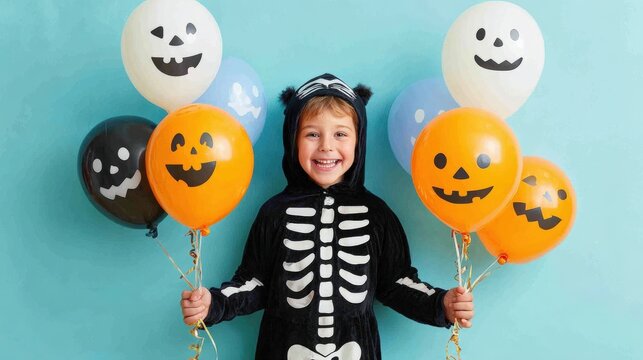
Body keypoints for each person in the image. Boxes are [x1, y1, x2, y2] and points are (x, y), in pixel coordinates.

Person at [180, 73, 474, 359]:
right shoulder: (274, 213)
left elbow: (396, 282)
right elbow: (255, 283)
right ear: (292, 139)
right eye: (311, 134)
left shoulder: (377, 215)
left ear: (359, 141)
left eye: (341, 134)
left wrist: (441, 304)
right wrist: (213, 304)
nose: (326, 146)